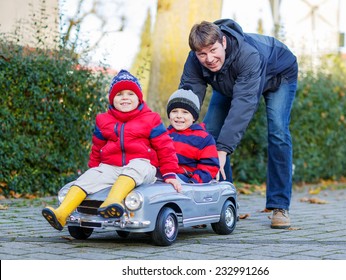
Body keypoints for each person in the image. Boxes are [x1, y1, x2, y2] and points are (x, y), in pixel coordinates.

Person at [178, 19, 298, 229]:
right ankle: (225, 202)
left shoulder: (248, 55)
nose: (209, 59)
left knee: (278, 132)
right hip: (231, 83)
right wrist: (179, 130)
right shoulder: (195, 59)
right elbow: (189, 99)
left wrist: (223, 149)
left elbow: (243, 105)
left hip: (279, 75)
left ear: (223, 42)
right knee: (209, 135)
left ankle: (280, 206)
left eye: (213, 50)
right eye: (202, 54)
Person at [42, 69, 181, 231]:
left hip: (144, 169)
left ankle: (112, 202)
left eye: (130, 94)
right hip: (112, 167)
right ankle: (61, 213)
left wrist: (170, 174)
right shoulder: (103, 120)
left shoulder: (151, 119)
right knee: (89, 177)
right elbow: (97, 147)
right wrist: (94, 169)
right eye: (120, 94)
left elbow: (165, 147)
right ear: (112, 99)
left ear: (139, 98)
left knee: (138, 164)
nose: (125, 98)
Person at [166, 88, 219, 183]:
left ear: (194, 117)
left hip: (184, 179)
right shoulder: (164, 134)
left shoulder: (203, 139)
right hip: (162, 174)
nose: (179, 115)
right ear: (169, 115)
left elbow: (210, 165)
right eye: (174, 111)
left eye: (185, 112)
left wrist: (194, 182)